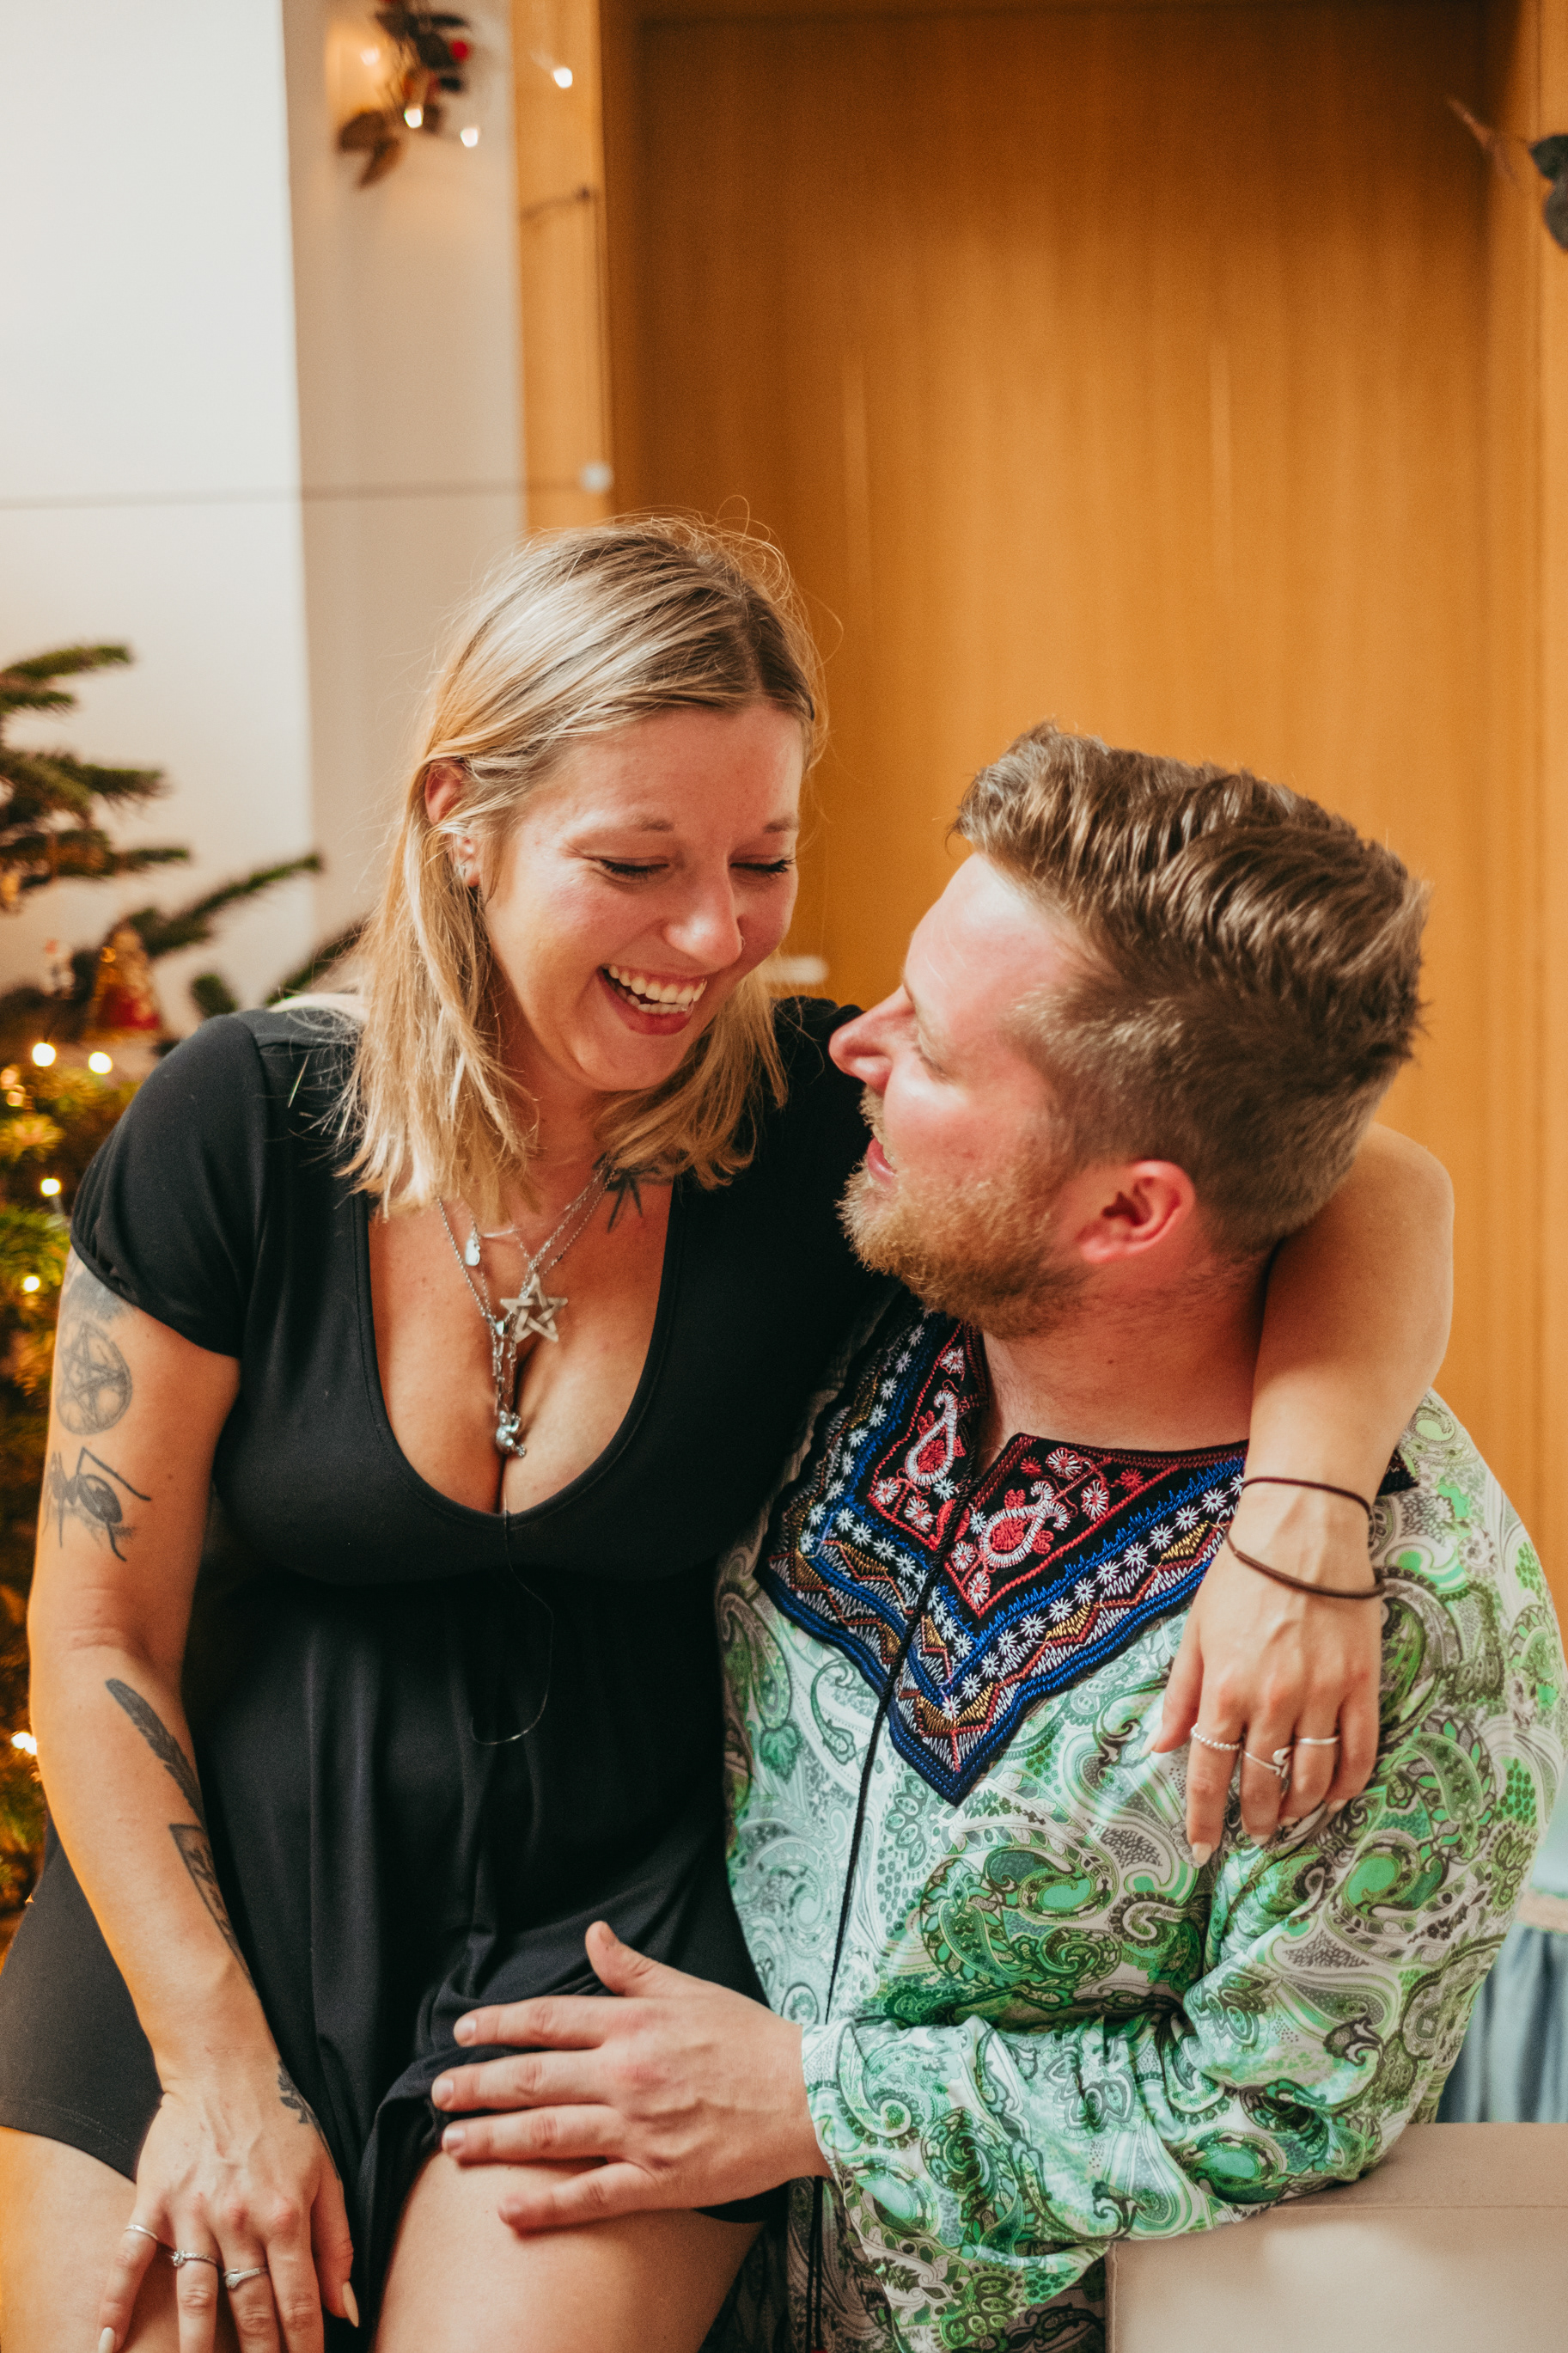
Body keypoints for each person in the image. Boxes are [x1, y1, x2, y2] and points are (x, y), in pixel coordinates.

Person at [0, 535, 1449, 2353]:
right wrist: (214, 2059)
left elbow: (1361, 1172)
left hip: (610, 1935)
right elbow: (97, 1629)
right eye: (636, 865)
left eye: (761, 860)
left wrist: (1302, 1515)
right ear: (462, 818)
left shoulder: (820, 1123)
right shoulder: (237, 1126)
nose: (712, 936)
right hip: (215, 1900)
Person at [421, 728, 1563, 2353]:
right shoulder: (861, 1266)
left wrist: (817, 2102)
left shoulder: (1416, 1631)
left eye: (933, 1048)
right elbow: (1390, 1174)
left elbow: (1279, 2106)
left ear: (1129, 1211)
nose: (853, 1047)